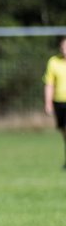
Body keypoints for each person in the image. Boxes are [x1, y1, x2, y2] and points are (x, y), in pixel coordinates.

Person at [44, 36, 66, 169]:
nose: (64, 50)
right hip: (59, 102)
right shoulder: (53, 62)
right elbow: (49, 84)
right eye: (63, 47)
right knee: (63, 131)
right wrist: (48, 102)